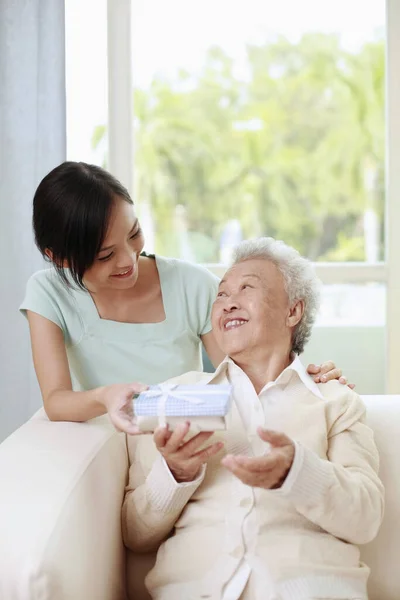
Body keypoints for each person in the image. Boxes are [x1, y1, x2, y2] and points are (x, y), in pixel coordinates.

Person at [122, 237, 384, 600]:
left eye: (247, 288)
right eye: (221, 294)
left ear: (293, 312)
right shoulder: (173, 397)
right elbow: (134, 534)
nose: (228, 302)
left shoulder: (336, 400)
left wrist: (298, 471)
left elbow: (366, 517)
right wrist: (175, 473)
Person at [21, 162, 349, 433]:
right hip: (111, 445)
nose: (128, 260)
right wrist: (106, 396)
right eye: (106, 255)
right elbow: (56, 399)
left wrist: (308, 381)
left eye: (134, 234)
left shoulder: (191, 284)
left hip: (188, 436)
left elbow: (246, 376)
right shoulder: (48, 293)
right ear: (59, 258)